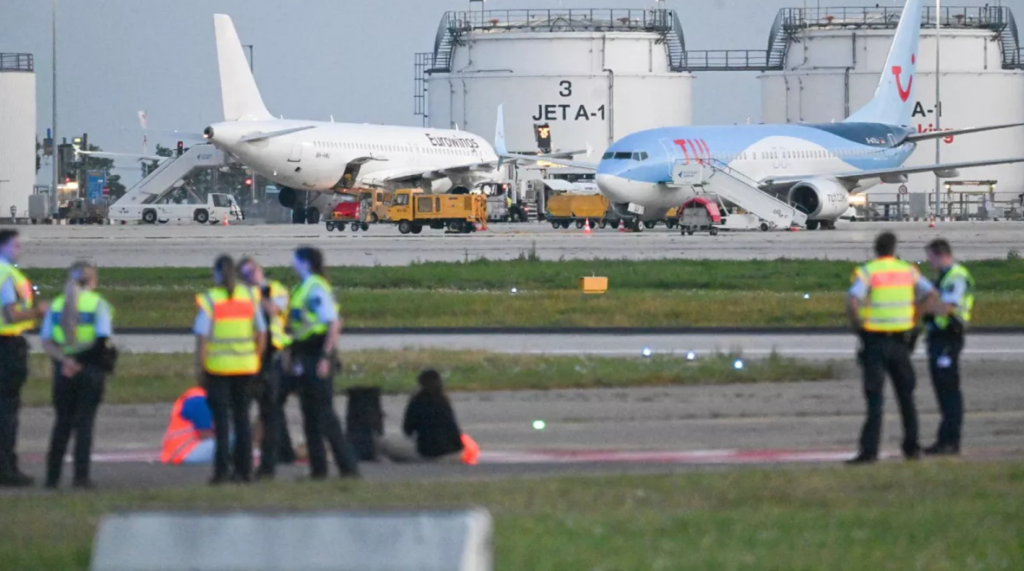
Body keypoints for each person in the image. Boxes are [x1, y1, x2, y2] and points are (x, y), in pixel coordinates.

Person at [846, 232, 937, 464]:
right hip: (900, 341)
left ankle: (869, 451)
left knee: (875, 398)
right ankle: (912, 447)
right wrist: (915, 319)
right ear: (894, 249)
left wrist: (859, 328)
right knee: (906, 396)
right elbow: (930, 294)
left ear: (875, 249)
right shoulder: (907, 270)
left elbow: (853, 300)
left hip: (875, 340)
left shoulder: (868, 271)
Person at [286, 246, 359, 479]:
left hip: (316, 353)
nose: (292, 263)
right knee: (309, 414)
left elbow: (333, 323)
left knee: (324, 414)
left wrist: (326, 357)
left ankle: (348, 467)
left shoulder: (315, 288)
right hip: (304, 353)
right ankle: (318, 469)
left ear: (306, 262)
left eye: (296, 260)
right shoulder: (303, 287)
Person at [40, 262, 114, 489]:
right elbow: (101, 341)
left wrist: (66, 361)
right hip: (90, 370)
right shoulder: (97, 304)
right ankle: (81, 477)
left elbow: (47, 341)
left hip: (63, 371)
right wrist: (80, 362)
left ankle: (52, 478)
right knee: (84, 425)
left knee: (61, 424)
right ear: (92, 280)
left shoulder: (57, 305)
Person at [194, 254, 266, 484]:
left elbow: (202, 337)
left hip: (218, 369)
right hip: (245, 367)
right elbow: (261, 332)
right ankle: (245, 471)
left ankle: (222, 472)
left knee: (222, 423)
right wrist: (255, 357)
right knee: (243, 420)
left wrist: (200, 366)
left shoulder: (211, 299)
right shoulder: (250, 296)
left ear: (216, 274)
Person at [238, 257, 296, 478]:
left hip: (276, 352)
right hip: (252, 356)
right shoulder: (242, 293)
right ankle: (282, 451)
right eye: (246, 273)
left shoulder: (275, 289)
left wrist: (257, 294)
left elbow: (275, 310)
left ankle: (280, 453)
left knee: (273, 406)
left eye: (253, 271)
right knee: (271, 408)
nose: (251, 276)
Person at [0, 229, 49, 487]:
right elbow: (10, 315)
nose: (19, 250)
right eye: (15, 245)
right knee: (7, 411)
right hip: (7, 345)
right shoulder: (5, 274)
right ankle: (6, 470)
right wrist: (37, 311)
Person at [923, 239, 974, 456]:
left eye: (930, 257)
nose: (929, 262)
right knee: (942, 389)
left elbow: (946, 307)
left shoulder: (957, 276)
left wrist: (927, 304)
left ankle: (951, 440)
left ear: (938, 254)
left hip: (949, 338)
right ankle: (945, 439)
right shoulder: (944, 277)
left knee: (949, 389)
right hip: (938, 338)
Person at [379, 369, 465, 464]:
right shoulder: (444, 401)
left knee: (384, 446)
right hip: (454, 451)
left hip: (428, 453)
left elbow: (407, 430)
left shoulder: (417, 402)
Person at [161, 387, 218, 465]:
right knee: (235, 440)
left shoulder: (196, 397)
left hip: (178, 452)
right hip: (187, 452)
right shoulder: (198, 400)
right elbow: (205, 434)